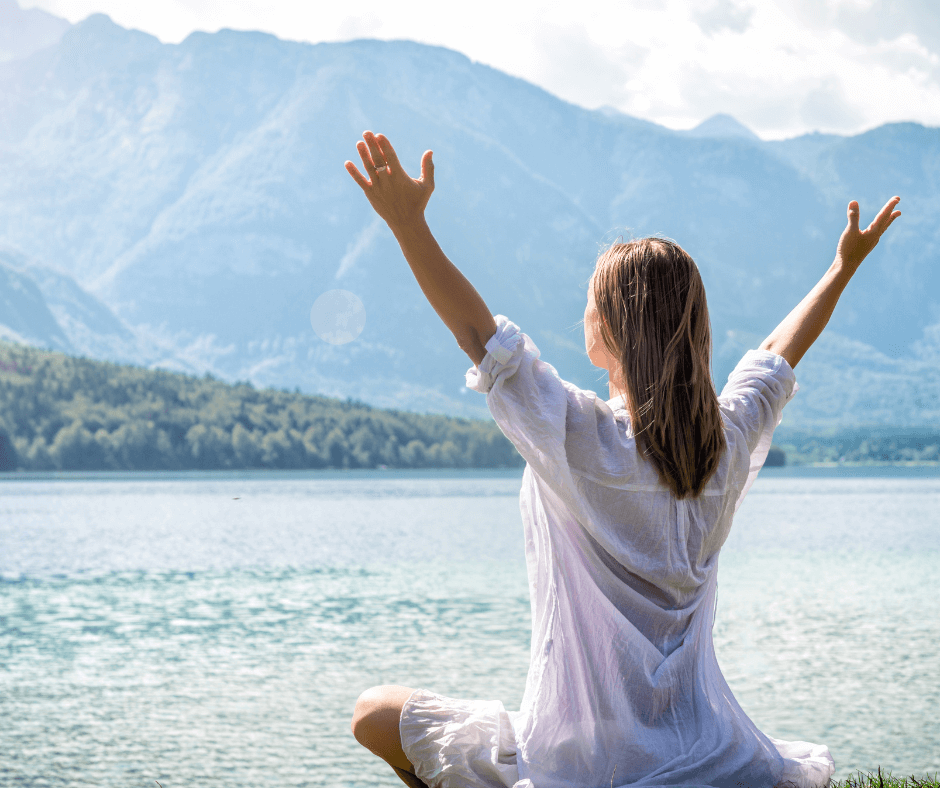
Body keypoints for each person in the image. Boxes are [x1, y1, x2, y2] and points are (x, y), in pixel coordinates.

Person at [343, 130, 902, 788]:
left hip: (581, 763)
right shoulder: (720, 442)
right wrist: (843, 267)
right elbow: (779, 355)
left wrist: (408, 227)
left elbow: (477, 335)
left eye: (589, 300)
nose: (581, 311)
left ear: (609, 325)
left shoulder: (580, 437)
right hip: (707, 750)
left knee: (373, 713)